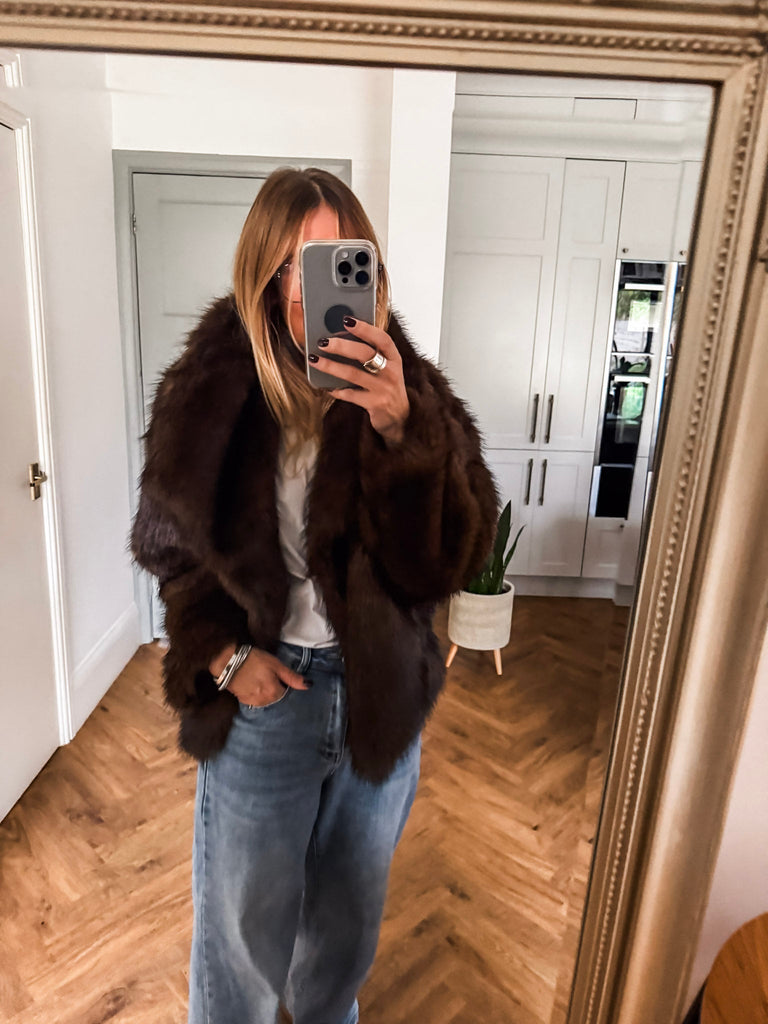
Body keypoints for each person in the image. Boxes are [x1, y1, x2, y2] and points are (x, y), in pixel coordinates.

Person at [130, 166, 498, 1024]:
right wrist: (223, 658)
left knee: (345, 931)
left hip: (378, 697)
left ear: (364, 268)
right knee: (241, 939)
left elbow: (443, 564)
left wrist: (403, 434)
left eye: (336, 257)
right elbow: (170, 550)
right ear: (265, 273)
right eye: (295, 261)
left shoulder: (410, 392)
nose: (312, 283)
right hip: (266, 703)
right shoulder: (212, 390)